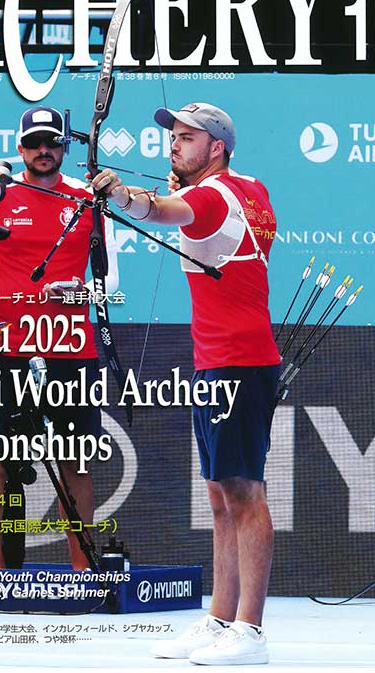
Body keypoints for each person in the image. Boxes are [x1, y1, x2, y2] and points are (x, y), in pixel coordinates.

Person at [90, 102, 279, 665]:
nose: (174, 143)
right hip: (221, 359)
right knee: (220, 496)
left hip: (236, 362)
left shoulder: (210, 197)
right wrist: (180, 190)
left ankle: (251, 632)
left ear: (217, 147)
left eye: (188, 137)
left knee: (243, 494)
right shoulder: (252, 189)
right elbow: (202, 209)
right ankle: (220, 617)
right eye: (173, 135)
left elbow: (161, 209)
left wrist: (121, 195)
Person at [0, 105, 118, 570]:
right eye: (34, 143)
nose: (43, 150)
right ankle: (0, 576)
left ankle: (84, 576)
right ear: (20, 148)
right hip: (10, 345)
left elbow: (109, 280)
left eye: (52, 142)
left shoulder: (88, 200)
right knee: (3, 461)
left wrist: (78, 292)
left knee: (76, 460)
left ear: (65, 147)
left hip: (71, 346)